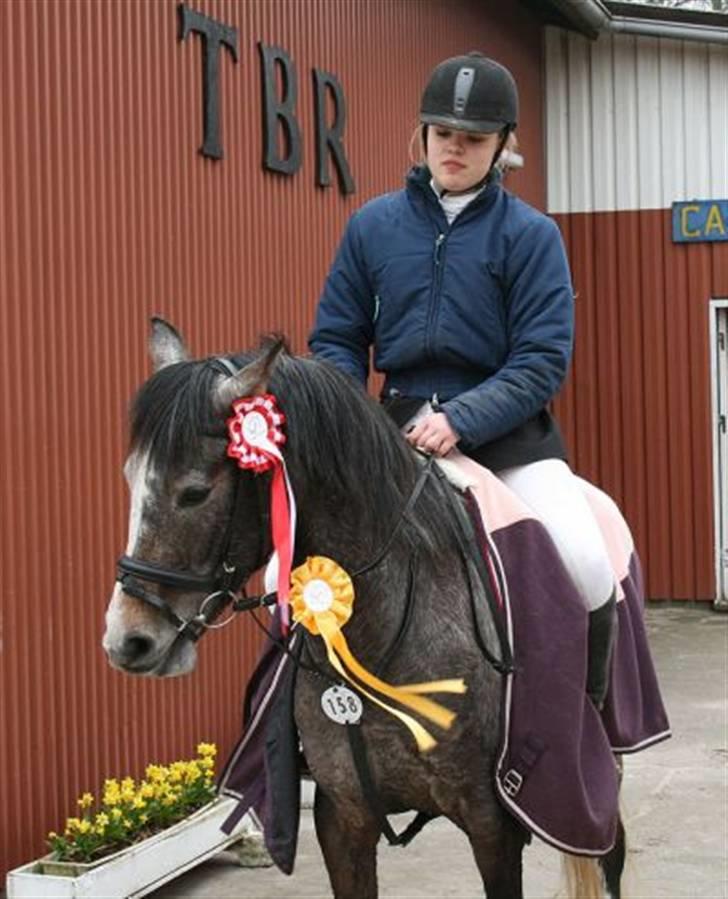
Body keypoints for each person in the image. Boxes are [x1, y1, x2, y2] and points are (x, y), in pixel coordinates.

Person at [308, 52, 616, 709]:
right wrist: (353, 422)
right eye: (444, 134)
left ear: (503, 145)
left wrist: (461, 419)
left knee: (588, 565)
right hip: (392, 433)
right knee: (295, 567)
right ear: (423, 134)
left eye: (474, 139)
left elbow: (541, 358)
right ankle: (296, 735)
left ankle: (585, 721)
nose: (455, 149)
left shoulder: (532, 236)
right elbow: (336, 337)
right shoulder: (372, 226)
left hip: (508, 440)